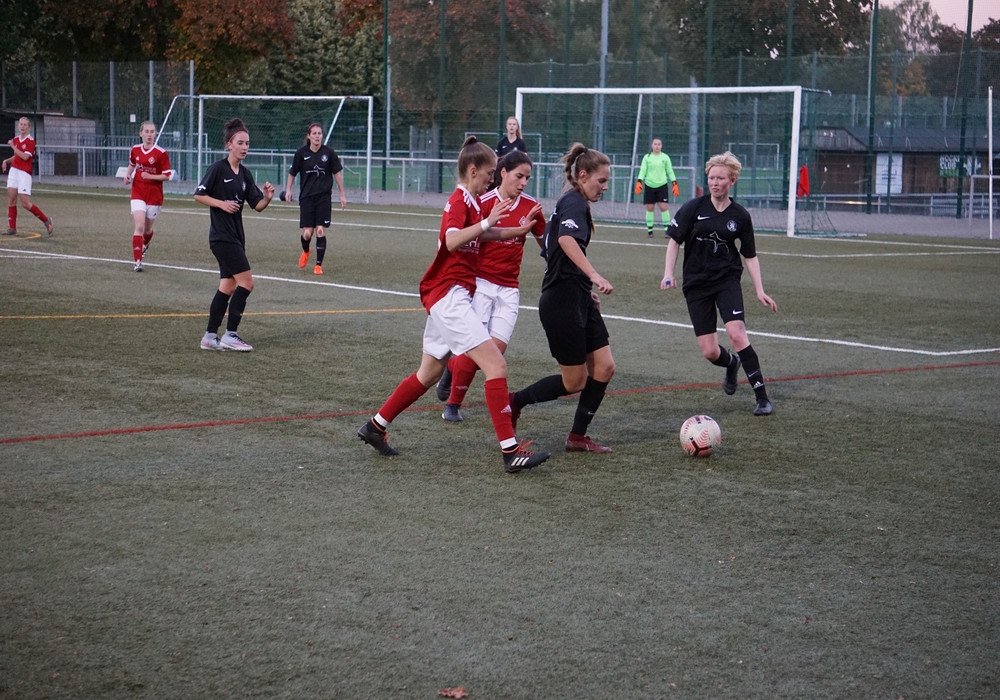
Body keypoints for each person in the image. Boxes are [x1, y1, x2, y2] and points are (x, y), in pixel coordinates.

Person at [357, 136, 550, 474]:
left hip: (452, 295)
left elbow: (484, 235)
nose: (492, 179)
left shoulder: (474, 203)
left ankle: (375, 426)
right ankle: (510, 452)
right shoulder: (459, 199)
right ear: (472, 171)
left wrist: (514, 229)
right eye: (489, 173)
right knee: (496, 366)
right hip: (449, 296)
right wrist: (490, 221)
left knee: (428, 373)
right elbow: (451, 240)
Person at [507, 143, 616, 454]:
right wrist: (594, 275)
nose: (604, 187)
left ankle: (577, 437)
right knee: (574, 382)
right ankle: (514, 401)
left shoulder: (574, 202)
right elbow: (566, 240)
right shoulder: (573, 203)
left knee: (605, 367)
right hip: (561, 304)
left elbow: (551, 251)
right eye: (601, 180)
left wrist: (584, 285)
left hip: (577, 296)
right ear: (583, 176)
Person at [660, 151, 777, 416]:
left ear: (731, 180)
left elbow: (750, 256)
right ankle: (731, 363)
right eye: (711, 177)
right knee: (710, 351)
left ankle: (762, 397)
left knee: (737, 334)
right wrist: (668, 272)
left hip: (726, 281)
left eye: (720, 178)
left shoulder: (741, 216)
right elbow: (674, 241)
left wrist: (760, 289)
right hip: (696, 284)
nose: (714, 182)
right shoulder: (694, 207)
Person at [435, 150, 546, 422]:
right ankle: (453, 404)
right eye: (518, 176)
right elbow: (466, 237)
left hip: (509, 289)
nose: (523, 182)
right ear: (503, 173)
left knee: (496, 350)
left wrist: (553, 262)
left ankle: (453, 365)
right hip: (481, 284)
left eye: (527, 178)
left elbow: (545, 243)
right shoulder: (482, 202)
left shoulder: (530, 206)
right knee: (480, 350)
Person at [194, 118, 275, 352]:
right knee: (247, 284)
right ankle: (231, 335)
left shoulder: (245, 174)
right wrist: (221, 203)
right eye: (240, 143)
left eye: (247, 143)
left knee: (227, 287)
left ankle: (210, 337)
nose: (245, 147)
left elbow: (257, 205)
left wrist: (267, 197)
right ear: (230, 144)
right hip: (222, 237)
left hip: (236, 237)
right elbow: (199, 194)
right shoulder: (218, 169)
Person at [282, 123, 347, 275]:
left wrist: (342, 194)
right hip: (306, 198)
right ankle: (306, 250)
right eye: (315, 133)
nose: (318, 136)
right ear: (309, 136)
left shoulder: (329, 153)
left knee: (320, 231)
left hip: (324, 198)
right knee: (307, 233)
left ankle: (318, 265)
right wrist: (288, 190)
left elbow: (337, 173)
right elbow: (292, 173)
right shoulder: (301, 153)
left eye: (319, 133)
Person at [123, 120, 173, 272]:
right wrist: (127, 175)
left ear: (155, 134)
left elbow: (167, 175)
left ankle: (144, 244)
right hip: (138, 191)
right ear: (141, 134)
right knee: (139, 226)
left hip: (154, 195)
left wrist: (150, 176)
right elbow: (132, 163)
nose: (149, 134)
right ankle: (137, 261)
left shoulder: (161, 153)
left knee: (147, 230)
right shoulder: (135, 149)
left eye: (152, 132)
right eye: (147, 131)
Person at [2, 116, 54, 237]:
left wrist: (13, 147)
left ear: (29, 127)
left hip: (24, 173)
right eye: (21, 124)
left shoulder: (30, 141)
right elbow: (16, 156)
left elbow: (25, 157)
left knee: (25, 203)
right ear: (18, 126)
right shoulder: (16, 139)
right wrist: (6, 161)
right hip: (14, 171)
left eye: (25, 125)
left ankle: (47, 220)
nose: (23, 127)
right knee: (11, 199)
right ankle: (12, 228)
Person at [634, 138, 678, 238]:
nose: (657, 146)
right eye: (655, 144)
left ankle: (667, 231)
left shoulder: (665, 157)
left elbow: (669, 171)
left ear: (661, 146)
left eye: (659, 144)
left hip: (662, 185)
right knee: (650, 208)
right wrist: (639, 181)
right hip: (649, 185)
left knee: (664, 207)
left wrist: (674, 183)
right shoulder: (647, 157)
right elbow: (643, 170)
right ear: (652, 145)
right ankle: (650, 231)